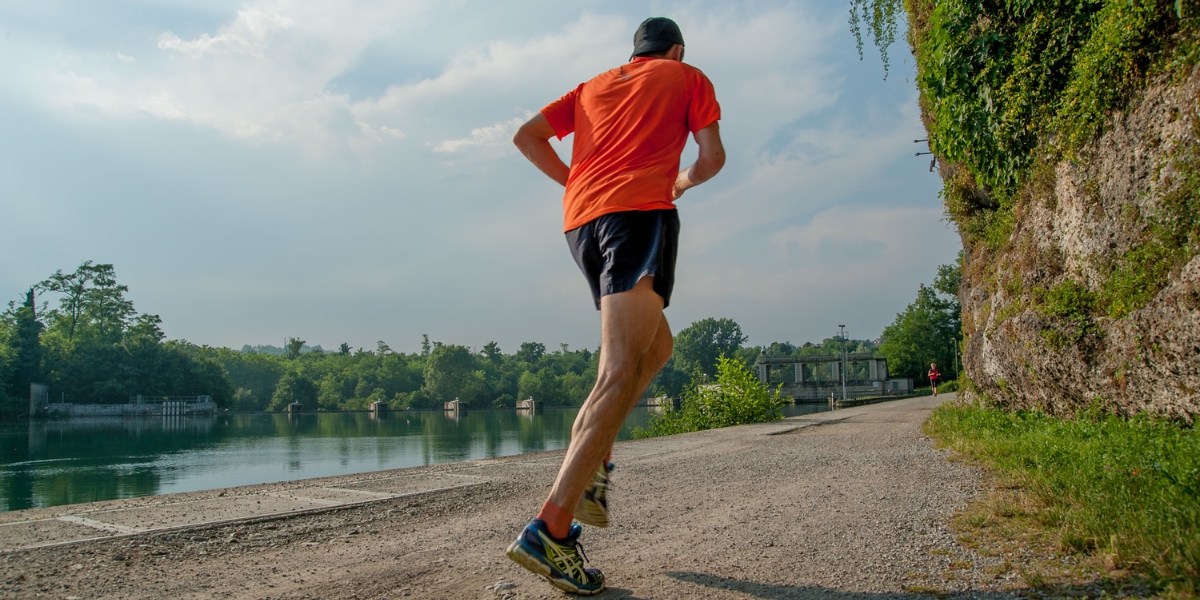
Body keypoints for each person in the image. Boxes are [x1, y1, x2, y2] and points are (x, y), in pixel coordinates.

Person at [505, 16, 725, 595]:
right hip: (638, 216)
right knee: (620, 366)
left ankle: (596, 463)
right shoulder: (686, 76)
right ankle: (550, 527)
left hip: (582, 222)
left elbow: (526, 136)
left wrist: (577, 179)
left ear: (634, 54)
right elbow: (712, 157)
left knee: (658, 347)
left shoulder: (591, 86)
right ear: (674, 50)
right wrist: (679, 183)